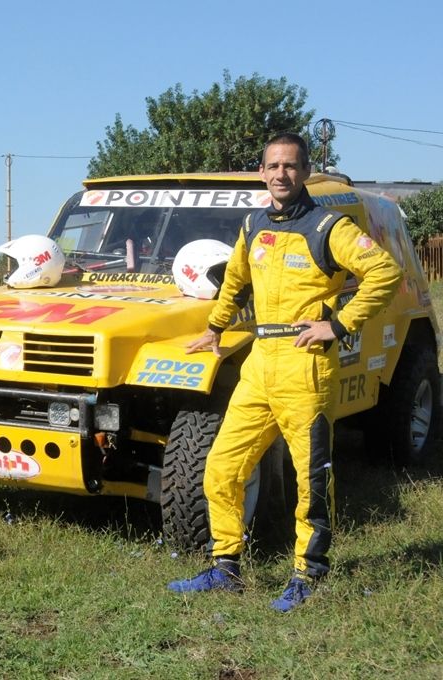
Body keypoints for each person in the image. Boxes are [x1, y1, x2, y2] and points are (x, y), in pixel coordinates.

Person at [166, 133, 402, 611]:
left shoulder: (328, 227)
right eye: (273, 166)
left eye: (290, 166)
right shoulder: (253, 225)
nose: (281, 174)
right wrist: (215, 328)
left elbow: (385, 272)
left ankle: (307, 575)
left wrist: (337, 324)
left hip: (305, 367)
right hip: (259, 363)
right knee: (222, 467)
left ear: (304, 171)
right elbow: (235, 279)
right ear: (262, 172)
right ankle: (225, 566)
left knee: (309, 479)